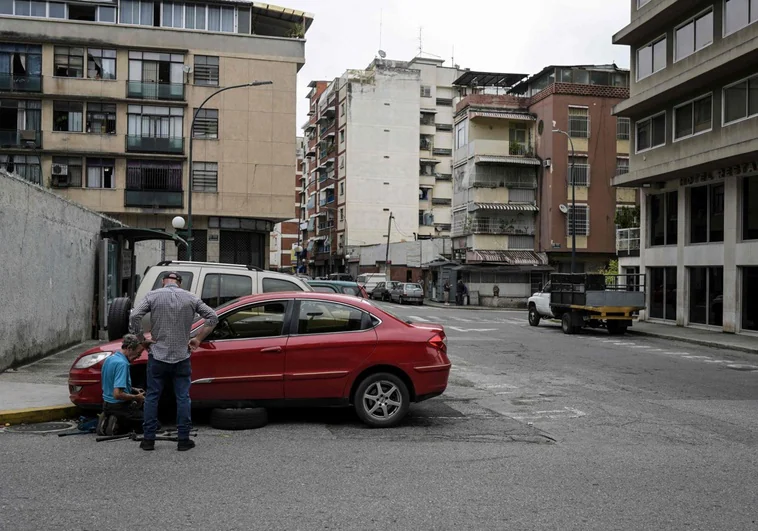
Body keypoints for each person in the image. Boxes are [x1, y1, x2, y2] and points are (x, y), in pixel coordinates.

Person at [129, 271, 218, 452]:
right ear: (180, 283)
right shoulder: (190, 297)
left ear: (163, 282)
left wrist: (141, 339)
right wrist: (198, 339)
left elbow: (134, 316)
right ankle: (183, 439)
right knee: (183, 397)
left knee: (153, 396)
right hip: (182, 355)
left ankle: (148, 440)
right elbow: (212, 317)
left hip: (158, 355)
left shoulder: (152, 295)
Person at [99, 334, 152, 435]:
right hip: (119, 406)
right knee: (152, 425)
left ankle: (108, 418)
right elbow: (117, 394)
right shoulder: (123, 364)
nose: (139, 356)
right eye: (138, 352)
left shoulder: (110, 359)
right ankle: (117, 425)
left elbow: (112, 383)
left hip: (106, 404)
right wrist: (136, 397)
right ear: (129, 348)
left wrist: (132, 389)